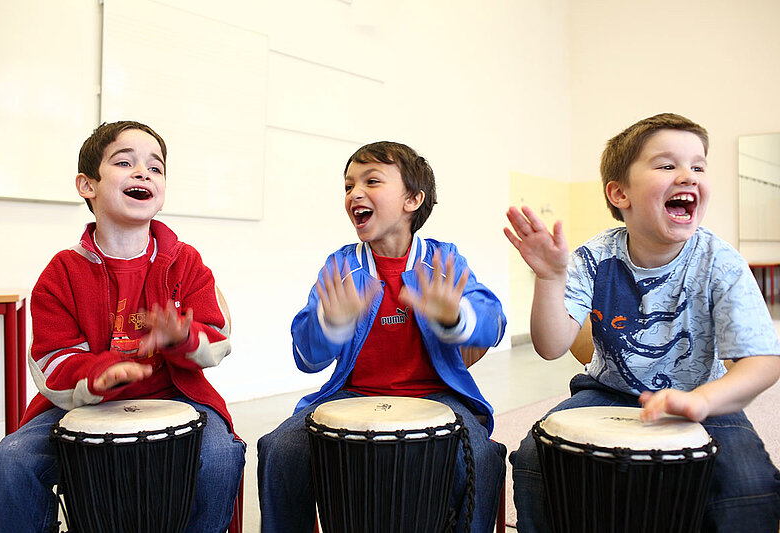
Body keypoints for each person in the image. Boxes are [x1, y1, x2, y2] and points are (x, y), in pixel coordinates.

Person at [505, 112, 780, 532]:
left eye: (699, 166)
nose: (688, 175)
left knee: (748, 483)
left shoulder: (718, 261)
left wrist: (704, 402)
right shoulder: (593, 258)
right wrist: (549, 278)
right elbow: (551, 345)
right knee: (535, 457)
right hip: (608, 391)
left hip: (702, 397)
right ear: (620, 193)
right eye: (668, 165)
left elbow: (764, 361)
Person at [0, 121, 246, 533]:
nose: (143, 173)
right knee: (10, 461)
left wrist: (183, 337)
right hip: (80, 405)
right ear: (87, 185)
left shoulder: (185, 262)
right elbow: (52, 359)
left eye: (155, 168)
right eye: (125, 162)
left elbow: (217, 335)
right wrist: (98, 373)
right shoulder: (62, 272)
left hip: (178, 395)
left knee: (220, 456)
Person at [257, 141, 507, 532]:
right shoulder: (341, 265)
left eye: (371, 181)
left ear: (412, 199)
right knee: (280, 449)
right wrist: (330, 324)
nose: (354, 193)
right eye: (348, 185)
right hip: (353, 395)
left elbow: (494, 322)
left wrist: (456, 315)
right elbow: (305, 357)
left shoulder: (443, 260)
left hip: (437, 396)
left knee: (481, 456)